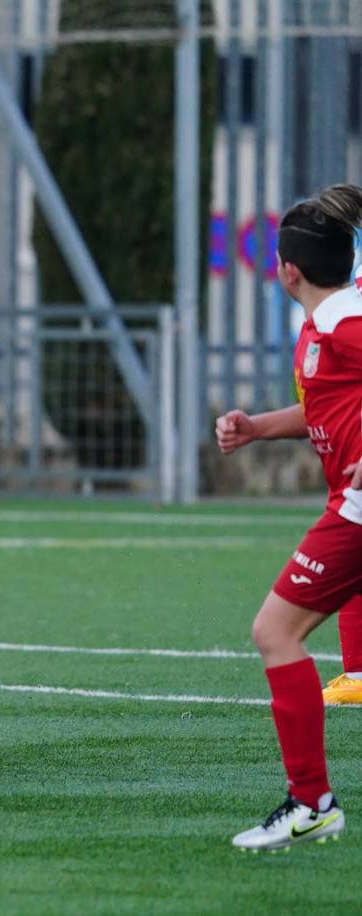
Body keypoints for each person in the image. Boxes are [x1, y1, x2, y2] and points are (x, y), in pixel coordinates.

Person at [213, 184, 362, 850]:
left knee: (276, 631)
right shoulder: (324, 324)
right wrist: (257, 428)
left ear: (287, 270)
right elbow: (324, 409)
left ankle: (312, 801)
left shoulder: (341, 321)